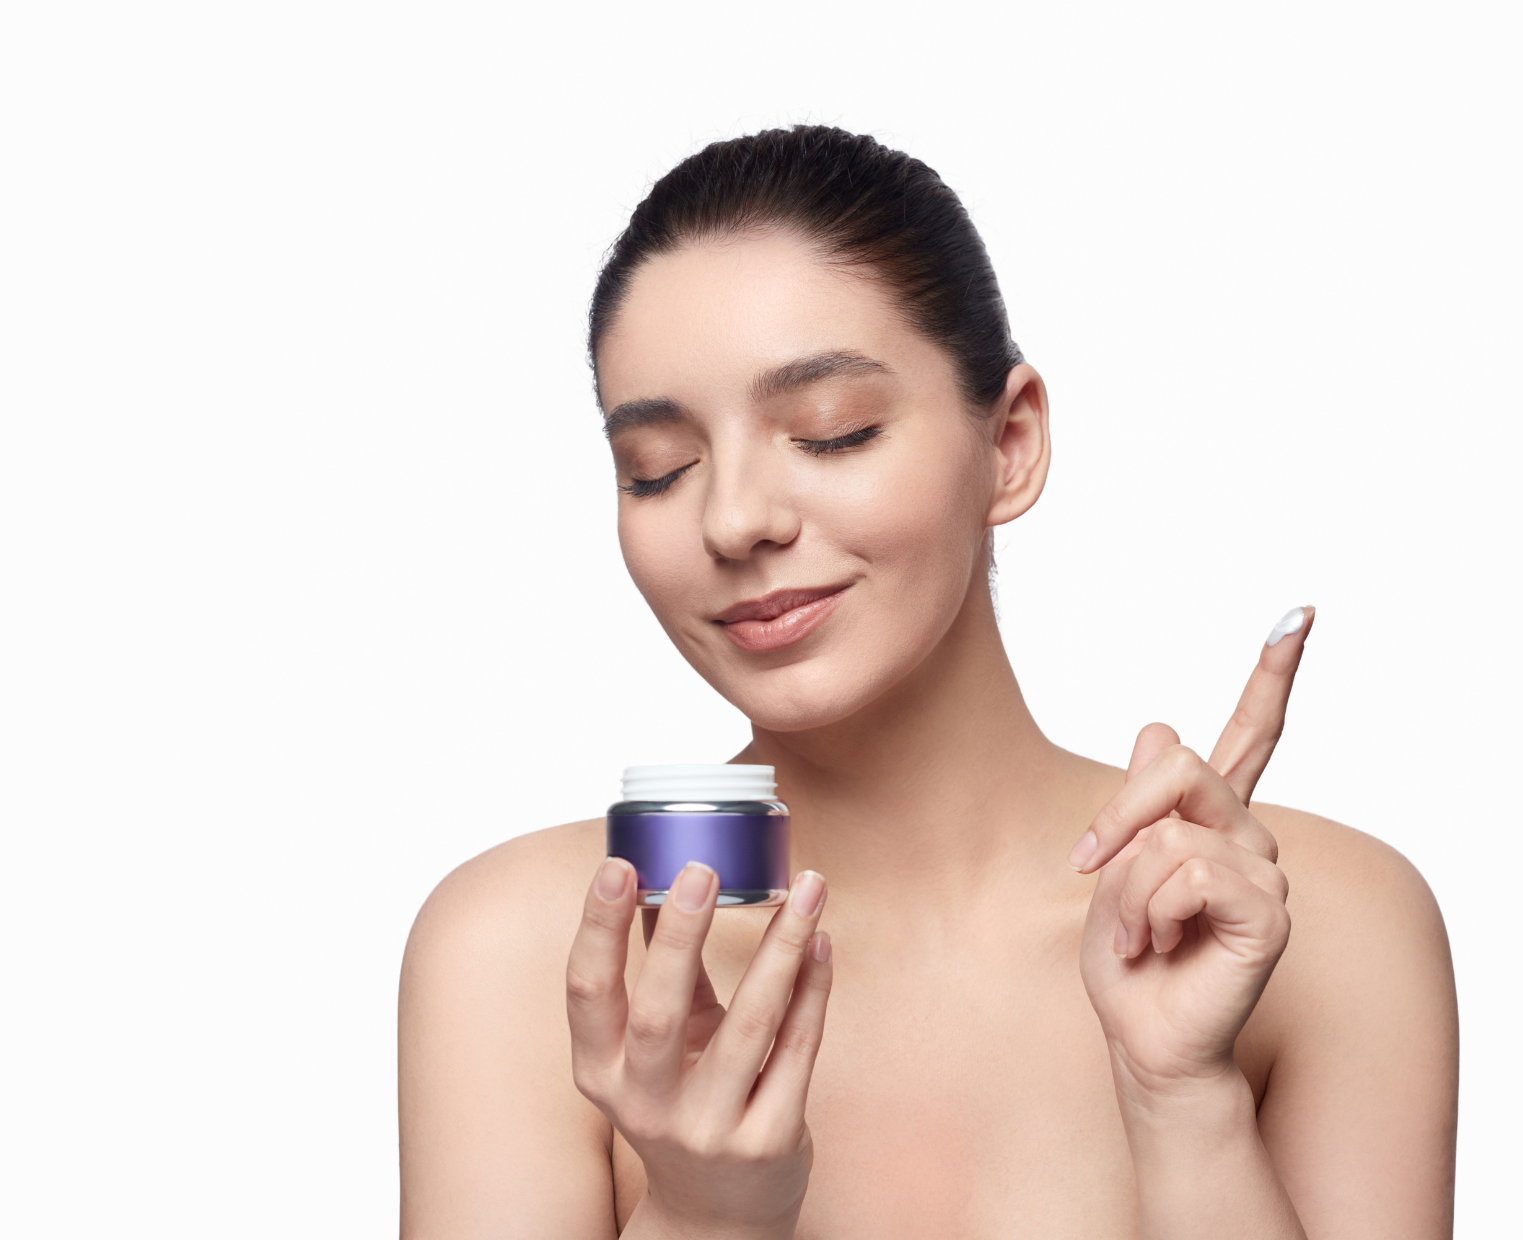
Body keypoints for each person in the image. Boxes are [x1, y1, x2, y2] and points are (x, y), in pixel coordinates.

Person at [397, 126, 1458, 1239]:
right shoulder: (517, 955)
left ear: (1010, 443)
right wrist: (704, 1214)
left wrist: (1184, 1103)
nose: (733, 519)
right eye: (657, 470)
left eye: (832, 432)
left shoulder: (1318, 923)